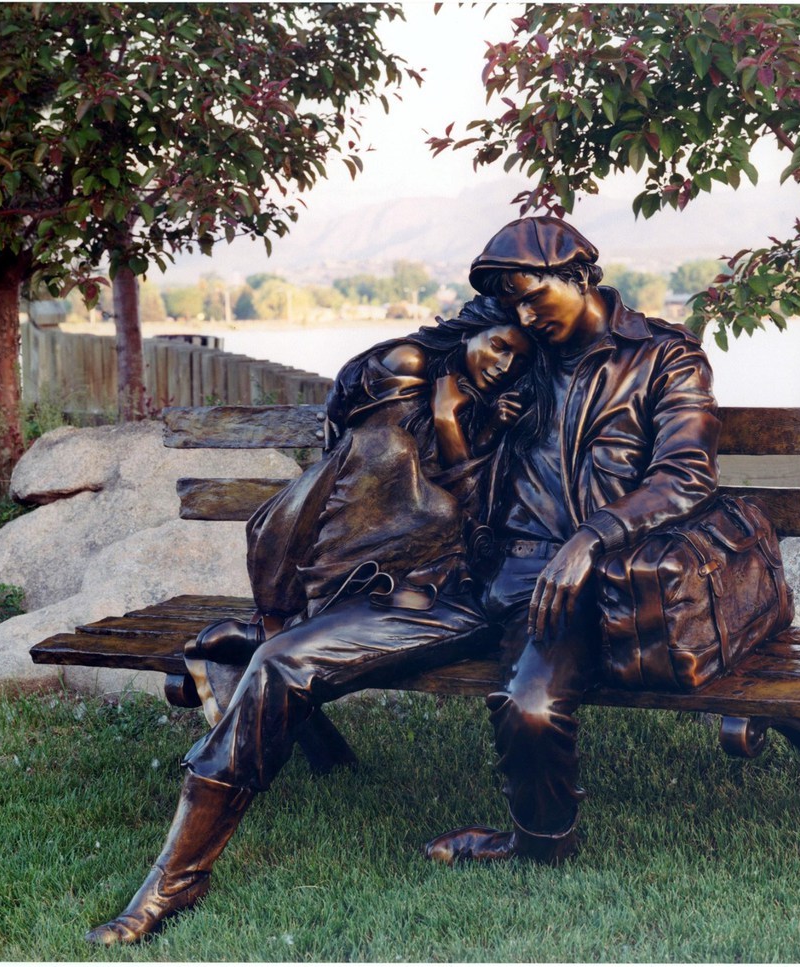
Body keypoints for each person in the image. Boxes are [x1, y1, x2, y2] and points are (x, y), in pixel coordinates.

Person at [85, 297, 538, 945]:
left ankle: (272, 633)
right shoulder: (401, 373)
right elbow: (357, 478)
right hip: (369, 582)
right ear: (472, 328)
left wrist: (454, 423)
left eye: (520, 357)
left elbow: (480, 525)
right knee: (282, 659)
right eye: (500, 344)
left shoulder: (511, 408)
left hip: (460, 601)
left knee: (279, 657)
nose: (504, 363)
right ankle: (175, 876)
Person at [422, 215, 720, 865]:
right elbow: (461, 475)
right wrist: (451, 416)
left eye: (535, 295)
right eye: (512, 304)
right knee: (309, 645)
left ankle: (538, 843)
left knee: (529, 705)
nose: (525, 316)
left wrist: (590, 539)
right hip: (484, 573)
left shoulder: (664, 356)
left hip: (590, 580)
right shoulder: (513, 361)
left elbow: (685, 473)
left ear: (579, 275)